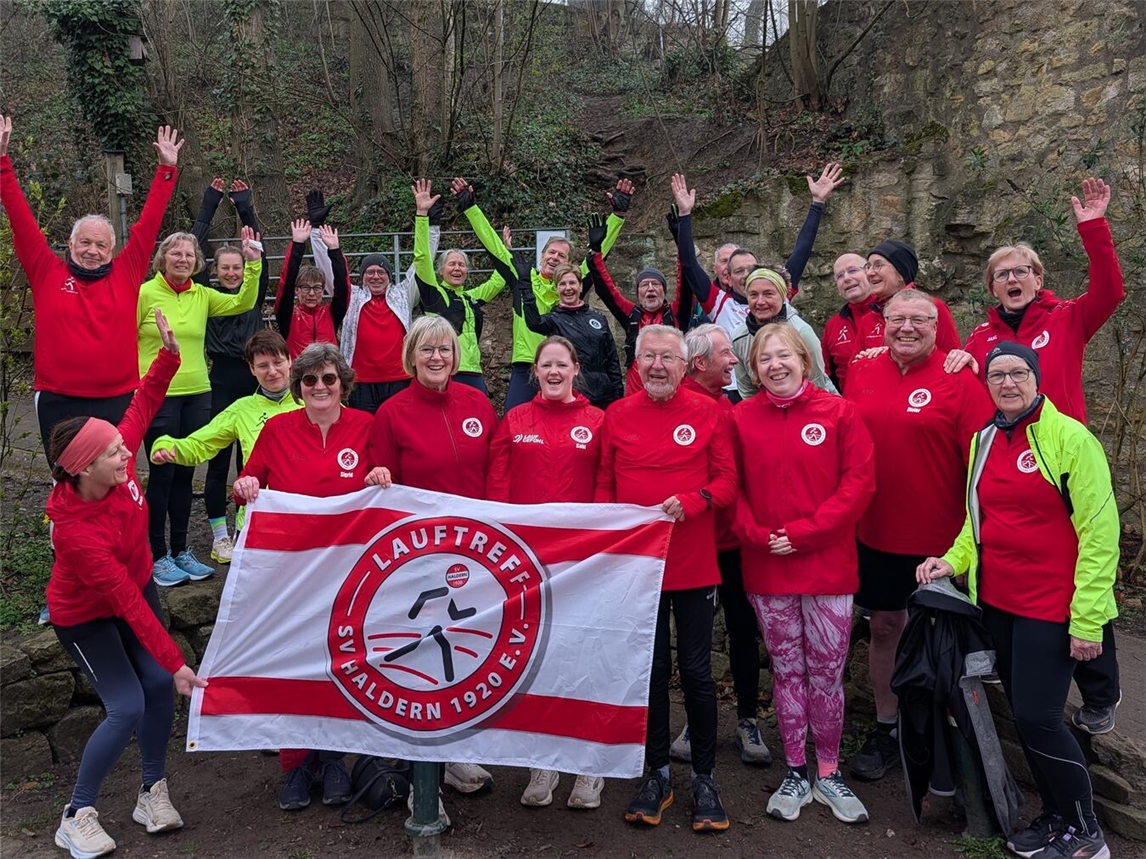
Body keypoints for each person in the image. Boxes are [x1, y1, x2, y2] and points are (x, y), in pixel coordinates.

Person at [917, 341, 1118, 859]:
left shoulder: (1070, 439)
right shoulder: (984, 439)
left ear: (1036, 377)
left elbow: (1100, 535)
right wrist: (951, 561)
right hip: (999, 603)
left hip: (1053, 606)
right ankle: (1055, 817)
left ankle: (1086, 833)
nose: (1007, 383)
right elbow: (976, 523)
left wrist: (1089, 620)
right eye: (997, 375)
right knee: (1030, 721)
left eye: (1017, 373)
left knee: (1038, 718)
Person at [965, 179, 1126, 735]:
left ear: (1038, 280)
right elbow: (948, 374)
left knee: (1087, 566)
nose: (1012, 279)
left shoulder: (1067, 319)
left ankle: (1101, 690)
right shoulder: (979, 340)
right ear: (992, 286)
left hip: (1065, 463)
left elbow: (1109, 292)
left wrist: (1094, 228)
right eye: (1002, 274)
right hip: (1008, 462)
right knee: (1021, 569)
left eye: (1021, 271)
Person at [46, 309, 207, 859]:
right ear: (83, 468)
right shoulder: (75, 534)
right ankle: (77, 813)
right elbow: (123, 605)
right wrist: (177, 659)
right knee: (127, 705)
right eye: (115, 451)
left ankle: (151, 792)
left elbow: (142, 405)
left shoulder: (110, 460)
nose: (127, 452)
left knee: (158, 689)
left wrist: (167, 357)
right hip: (85, 615)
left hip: (137, 590)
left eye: (122, 446)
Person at [843, 290, 994, 783]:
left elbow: (982, 467)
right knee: (884, 628)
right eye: (897, 319)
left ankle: (939, 739)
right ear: (882, 324)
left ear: (937, 326)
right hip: (875, 530)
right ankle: (888, 729)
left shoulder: (959, 378)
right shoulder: (862, 369)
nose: (906, 328)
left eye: (918, 321)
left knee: (939, 642)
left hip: (939, 541)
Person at [731, 323, 875, 824]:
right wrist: (755, 533)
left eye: (783, 355)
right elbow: (733, 488)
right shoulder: (741, 418)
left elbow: (859, 485)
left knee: (827, 674)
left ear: (804, 360)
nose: (775, 364)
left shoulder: (840, 413)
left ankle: (829, 772)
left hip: (827, 565)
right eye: (764, 359)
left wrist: (807, 533)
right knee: (788, 671)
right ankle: (795, 768)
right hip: (767, 564)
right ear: (754, 370)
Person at [596, 325, 738, 832]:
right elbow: (604, 484)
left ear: (685, 365)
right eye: (648, 358)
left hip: (693, 563)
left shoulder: (709, 413)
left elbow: (727, 482)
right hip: (639, 567)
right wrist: (612, 532)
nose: (657, 366)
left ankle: (704, 777)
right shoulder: (616, 415)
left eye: (667, 358)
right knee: (649, 672)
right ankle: (656, 773)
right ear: (636, 364)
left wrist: (696, 501)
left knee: (698, 674)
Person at [233, 342, 384, 812]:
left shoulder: (367, 426)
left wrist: (381, 474)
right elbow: (247, 486)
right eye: (310, 380)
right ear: (299, 387)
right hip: (292, 573)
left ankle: (335, 758)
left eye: (328, 379)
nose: (320, 387)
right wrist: (245, 485)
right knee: (290, 662)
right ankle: (295, 762)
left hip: (348, 574)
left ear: (343, 384)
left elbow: (386, 478)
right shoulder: (276, 429)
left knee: (341, 661)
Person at [367, 315, 499, 807]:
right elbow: (380, 479)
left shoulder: (478, 403)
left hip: (477, 557)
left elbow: (498, 468)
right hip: (421, 562)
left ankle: (455, 753)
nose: (437, 358)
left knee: (466, 657)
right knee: (423, 661)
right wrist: (377, 475)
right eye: (427, 350)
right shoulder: (392, 412)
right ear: (412, 357)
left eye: (444, 349)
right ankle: (423, 776)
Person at [1, 117, 182, 464]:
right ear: (70, 245)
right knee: (66, 481)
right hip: (58, 398)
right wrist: (3, 162)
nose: (92, 250)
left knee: (115, 477)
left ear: (112, 250)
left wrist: (166, 170)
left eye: (100, 244)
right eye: (84, 242)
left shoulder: (126, 273)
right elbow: (20, 219)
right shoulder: (46, 271)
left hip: (116, 398)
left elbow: (148, 224)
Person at [486, 335, 606, 808]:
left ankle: (587, 769)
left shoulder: (598, 421)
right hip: (528, 567)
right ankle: (543, 763)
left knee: (583, 660)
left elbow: (607, 486)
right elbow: (496, 489)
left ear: (576, 368)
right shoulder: (515, 420)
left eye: (562, 364)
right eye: (545, 366)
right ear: (534, 372)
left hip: (583, 564)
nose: (553, 372)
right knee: (538, 662)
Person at [137, 226, 262, 585]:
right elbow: (124, 341)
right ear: (163, 258)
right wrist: (133, 387)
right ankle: (157, 555)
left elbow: (243, 302)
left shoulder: (203, 295)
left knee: (185, 474)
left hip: (198, 392)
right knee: (161, 476)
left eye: (189, 255)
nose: (182, 258)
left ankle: (180, 551)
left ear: (196, 263)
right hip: (157, 395)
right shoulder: (145, 293)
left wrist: (252, 265)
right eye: (175, 253)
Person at [669, 324, 770, 767]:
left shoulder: (733, 406)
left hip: (735, 543)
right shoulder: (676, 407)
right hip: (694, 543)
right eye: (727, 354)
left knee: (743, 630)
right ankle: (697, 719)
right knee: (695, 639)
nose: (735, 361)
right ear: (699, 363)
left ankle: (747, 718)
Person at [453, 175, 632, 410]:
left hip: (563, 367)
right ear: (542, 255)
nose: (555, 257)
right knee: (514, 424)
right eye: (551, 253)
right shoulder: (522, 277)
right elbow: (495, 248)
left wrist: (616, 217)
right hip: (526, 366)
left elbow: (598, 255)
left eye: (561, 256)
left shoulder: (570, 284)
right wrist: (470, 207)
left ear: (569, 265)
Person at [675, 166, 843, 394]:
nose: (745, 275)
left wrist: (817, 204)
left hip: (790, 386)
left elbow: (801, 252)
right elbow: (689, 264)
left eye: (749, 269)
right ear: (728, 277)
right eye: (738, 271)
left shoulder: (778, 292)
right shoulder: (719, 302)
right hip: (738, 389)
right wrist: (684, 215)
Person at [148, 330, 302, 535]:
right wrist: (166, 445)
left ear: (290, 361)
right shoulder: (242, 409)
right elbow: (200, 443)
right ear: (252, 369)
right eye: (263, 366)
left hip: (305, 513)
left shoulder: (311, 403)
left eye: (278, 362)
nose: (272, 371)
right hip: (257, 518)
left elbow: (349, 432)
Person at [189, 178, 269, 563]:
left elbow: (260, 254)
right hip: (219, 381)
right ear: (215, 271)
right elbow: (192, 250)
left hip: (253, 382)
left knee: (251, 463)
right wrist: (209, 205)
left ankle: (246, 529)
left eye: (238, 266)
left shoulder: (252, 293)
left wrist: (244, 206)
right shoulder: (206, 295)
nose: (234, 273)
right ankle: (219, 537)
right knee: (219, 464)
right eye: (226, 268)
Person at [309, 187, 441, 414]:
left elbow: (423, 264)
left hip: (401, 379)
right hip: (360, 383)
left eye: (381, 272)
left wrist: (432, 226)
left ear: (389, 277)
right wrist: (315, 230)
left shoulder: (402, 295)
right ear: (362, 277)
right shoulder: (353, 297)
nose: (375, 276)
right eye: (369, 272)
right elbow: (330, 272)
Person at [493, 242, 624, 410]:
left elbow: (612, 359)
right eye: (562, 284)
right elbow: (533, 322)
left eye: (572, 283)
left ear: (581, 286)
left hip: (604, 394)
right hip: (573, 392)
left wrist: (618, 395)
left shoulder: (598, 318)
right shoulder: (554, 318)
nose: (568, 288)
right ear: (557, 288)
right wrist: (525, 285)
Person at [411, 179, 503, 394]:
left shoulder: (472, 298)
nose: (457, 268)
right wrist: (422, 217)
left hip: (475, 373)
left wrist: (506, 251)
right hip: (445, 372)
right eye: (452, 264)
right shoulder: (435, 294)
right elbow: (422, 258)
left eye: (461, 265)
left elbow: (500, 279)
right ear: (441, 270)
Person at [587, 207, 693, 395]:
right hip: (636, 398)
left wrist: (681, 241)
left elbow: (685, 278)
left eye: (655, 284)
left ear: (664, 290)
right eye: (644, 285)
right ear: (638, 293)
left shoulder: (675, 313)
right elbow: (606, 290)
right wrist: (596, 251)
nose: (650, 288)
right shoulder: (631, 314)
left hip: (673, 395)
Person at [730, 268, 837, 399]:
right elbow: (749, 394)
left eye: (768, 294)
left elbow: (817, 383)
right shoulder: (738, 339)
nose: (760, 302)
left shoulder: (802, 333)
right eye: (753, 295)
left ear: (783, 296)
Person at [862, 240, 960, 352]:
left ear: (900, 272)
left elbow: (951, 356)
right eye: (868, 266)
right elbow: (855, 365)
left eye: (878, 265)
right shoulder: (868, 318)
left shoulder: (933, 307)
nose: (870, 272)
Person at [274, 218, 350, 358]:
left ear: (323, 290)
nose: (311, 293)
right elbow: (286, 283)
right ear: (296, 290)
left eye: (316, 288)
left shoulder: (331, 314)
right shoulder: (287, 315)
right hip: (298, 377)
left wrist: (335, 250)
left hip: (328, 376)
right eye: (305, 287)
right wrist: (297, 244)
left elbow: (343, 288)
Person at [821, 253, 882, 392]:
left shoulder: (893, 314)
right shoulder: (833, 326)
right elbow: (824, 375)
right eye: (840, 275)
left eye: (853, 270)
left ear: (869, 272)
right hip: (850, 407)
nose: (847, 278)